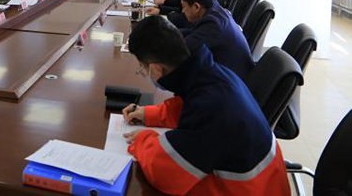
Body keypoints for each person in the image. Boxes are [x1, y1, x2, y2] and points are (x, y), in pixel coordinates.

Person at [122, 16, 289, 195]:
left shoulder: (211, 106)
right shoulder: (209, 73)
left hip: (247, 190)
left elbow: (165, 174)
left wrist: (143, 140)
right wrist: (148, 114)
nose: (145, 73)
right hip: (260, 181)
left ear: (156, 68)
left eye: (143, 68)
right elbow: (189, 108)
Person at [180, 0, 254, 80]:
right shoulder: (214, 9)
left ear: (196, 7)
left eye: (184, 6)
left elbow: (185, 49)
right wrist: (168, 32)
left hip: (230, 79)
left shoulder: (213, 24)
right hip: (228, 71)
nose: (182, 11)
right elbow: (193, 33)